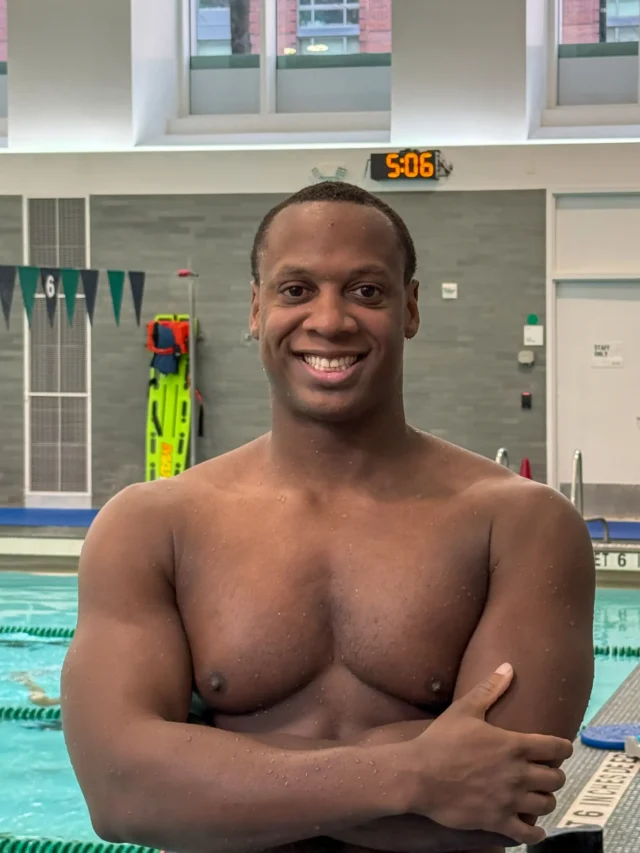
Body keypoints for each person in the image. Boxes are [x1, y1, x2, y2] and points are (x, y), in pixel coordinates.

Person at [61, 182, 596, 853]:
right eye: (296, 289)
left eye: (366, 290)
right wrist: (417, 769)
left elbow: (498, 802)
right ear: (256, 308)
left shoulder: (523, 525)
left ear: (410, 307)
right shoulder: (150, 527)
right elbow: (124, 792)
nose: (330, 319)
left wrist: (214, 767)